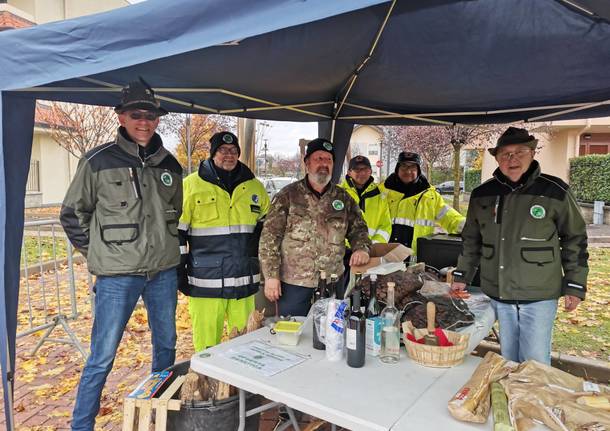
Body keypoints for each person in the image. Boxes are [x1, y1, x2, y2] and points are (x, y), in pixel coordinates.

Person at [60, 80, 182, 431]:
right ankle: (81, 425)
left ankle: (160, 416)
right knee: (102, 356)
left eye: (150, 115)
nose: (144, 121)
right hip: (116, 276)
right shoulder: (96, 161)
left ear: (158, 120)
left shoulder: (171, 165)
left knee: (166, 348)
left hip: (162, 272)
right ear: (121, 117)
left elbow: (174, 213)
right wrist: (96, 252)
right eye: (136, 114)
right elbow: (72, 214)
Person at [451, 127, 589, 364]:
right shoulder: (482, 193)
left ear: (533, 153)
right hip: (499, 292)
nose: (512, 159)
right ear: (496, 158)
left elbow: (574, 238)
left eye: (520, 152)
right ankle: (511, 399)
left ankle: (532, 401)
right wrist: (462, 274)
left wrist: (575, 285)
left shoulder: (555, 191)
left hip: (539, 294)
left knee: (534, 361)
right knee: (508, 358)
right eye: (505, 154)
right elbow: (471, 240)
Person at [178, 131, 269, 351]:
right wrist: (179, 272)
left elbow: (268, 230)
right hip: (206, 284)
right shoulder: (191, 185)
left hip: (243, 282)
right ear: (212, 153)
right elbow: (177, 233)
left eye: (233, 151)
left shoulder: (255, 187)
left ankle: (241, 387)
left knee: (246, 346)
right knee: (207, 348)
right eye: (222, 150)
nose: (228, 155)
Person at [259, 138, 371, 316]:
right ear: (306, 163)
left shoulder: (343, 199)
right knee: (292, 336)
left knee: (331, 336)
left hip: (333, 282)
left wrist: (361, 248)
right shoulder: (287, 196)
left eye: (328, 160)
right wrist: (271, 276)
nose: (324, 164)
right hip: (294, 284)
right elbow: (269, 238)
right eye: (319, 159)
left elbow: (359, 230)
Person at [380, 151, 464, 258]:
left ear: (418, 171)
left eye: (413, 167)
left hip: (414, 257)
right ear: (397, 169)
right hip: (385, 256)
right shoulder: (382, 191)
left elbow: (449, 217)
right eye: (404, 167)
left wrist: (469, 227)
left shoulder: (430, 196)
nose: (408, 171)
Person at [339, 155, 392, 244]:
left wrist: (375, 244)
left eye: (365, 169)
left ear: (370, 171)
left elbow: (385, 226)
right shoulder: (338, 193)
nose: (362, 173)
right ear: (349, 172)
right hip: (343, 252)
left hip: (371, 251)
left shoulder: (379, 195)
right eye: (357, 169)